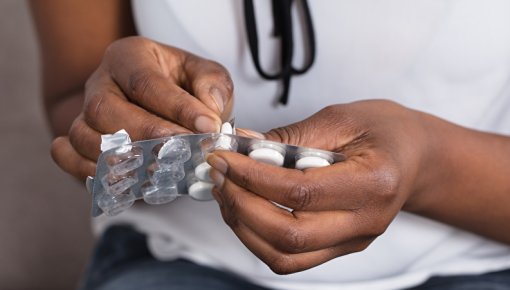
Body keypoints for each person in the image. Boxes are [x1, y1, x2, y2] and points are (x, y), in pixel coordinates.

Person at [30, 1, 510, 289]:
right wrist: (123, 134)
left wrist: (428, 165)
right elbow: (74, 101)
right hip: (180, 258)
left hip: (469, 265)